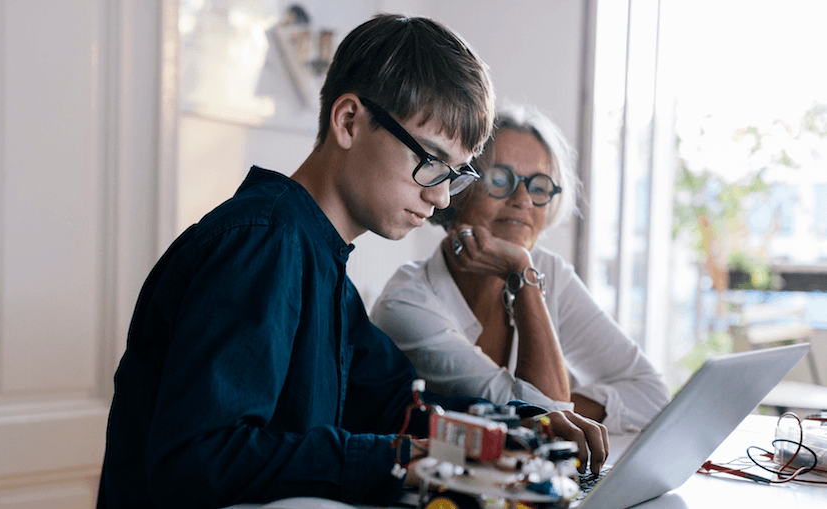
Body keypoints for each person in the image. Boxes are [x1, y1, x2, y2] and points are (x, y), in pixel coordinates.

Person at [97, 15, 608, 509]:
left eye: (455, 175)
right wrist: (400, 458)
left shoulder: (324, 266)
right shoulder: (264, 242)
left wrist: (520, 428)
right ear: (348, 121)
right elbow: (199, 460)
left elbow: (397, 409)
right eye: (430, 162)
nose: (443, 200)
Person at [371, 103, 670, 436]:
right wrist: (522, 276)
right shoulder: (407, 303)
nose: (524, 200)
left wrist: (565, 409)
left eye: (539, 186)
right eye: (500, 179)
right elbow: (547, 421)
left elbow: (653, 396)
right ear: (457, 187)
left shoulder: (548, 271)